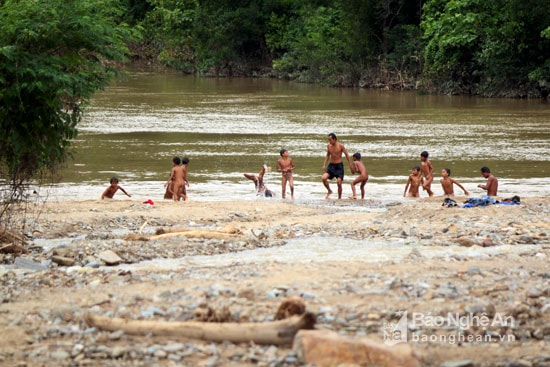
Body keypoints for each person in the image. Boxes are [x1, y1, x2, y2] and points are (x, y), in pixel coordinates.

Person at [322, 133, 354, 199]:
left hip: (339, 166)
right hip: (331, 166)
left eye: (330, 140)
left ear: (334, 139)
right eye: (328, 140)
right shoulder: (329, 146)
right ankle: (329, 191)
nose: (329, 141)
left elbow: (347, 155)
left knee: (339, 183)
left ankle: (339, 198)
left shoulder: (340, 146)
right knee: (324, 178)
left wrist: (350, 164)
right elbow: (328, 155)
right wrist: (324, 164)